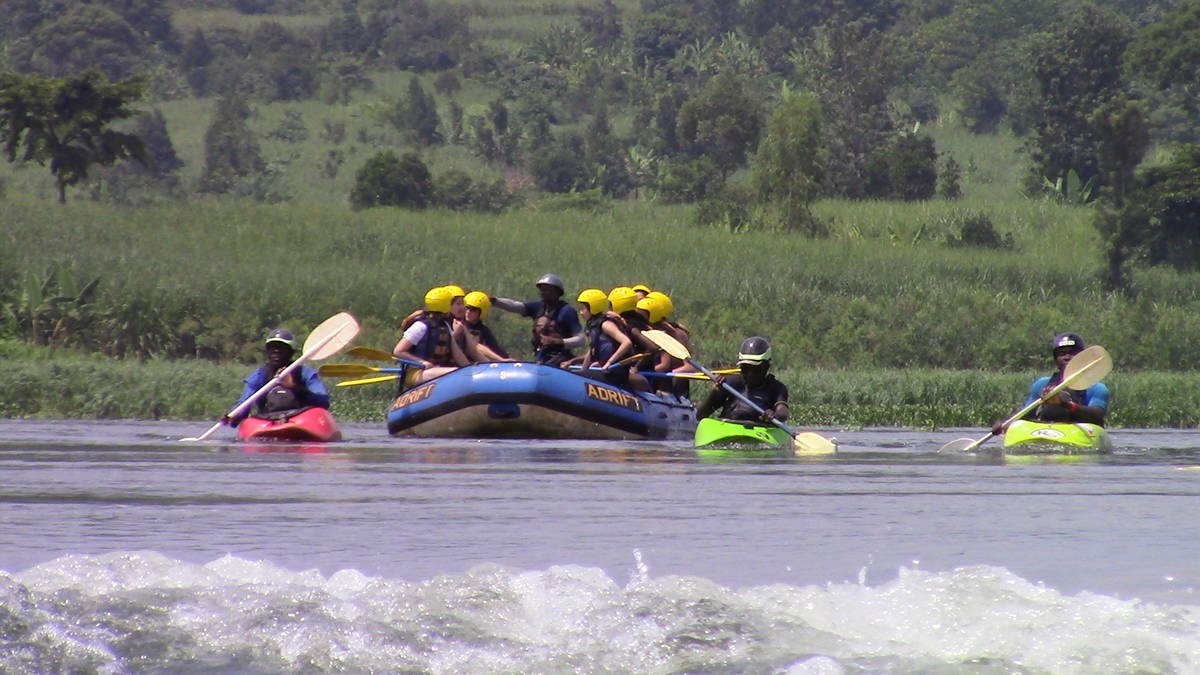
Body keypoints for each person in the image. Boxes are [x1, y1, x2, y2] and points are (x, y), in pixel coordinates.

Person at [992, 332, 1109, 434]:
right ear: (1056, 359)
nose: (1067, 357)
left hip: (1080, 428)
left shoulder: (1096, 388)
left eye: (1072, 353)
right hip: (1047, 428)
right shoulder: (1042, 384)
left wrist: (1067, 404)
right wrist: (1005, 421)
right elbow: (1027, 411)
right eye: (1062, 353)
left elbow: (1097, 415)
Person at [223, 328, 331, 426]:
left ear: (291, 352)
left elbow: (323, 402)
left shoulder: (306, 373)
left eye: (281, 347)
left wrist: (294, 387)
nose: (276, 351)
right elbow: (244, 404)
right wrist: (233, 415)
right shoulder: (259, 376)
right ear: (267, 351)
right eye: (272, 347)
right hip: (267, 420)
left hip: (301, 419)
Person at [492, 273, 584, 366]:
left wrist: (559, 342)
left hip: (562, 358)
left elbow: (580, 339)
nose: (543, 292)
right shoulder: (538, 307)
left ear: (557, 292)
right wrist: (495, 301)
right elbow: (516, 306)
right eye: (542, 289)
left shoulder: (567, 311)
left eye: (547, 289)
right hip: (541, 357)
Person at [696, 336, 789, 423]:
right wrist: (715, 393)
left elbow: (782, 412)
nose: (750, 374)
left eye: (756, 369)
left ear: (766, 367)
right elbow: (700, 415)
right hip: (727, 427)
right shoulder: (731, 383)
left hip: (760, 430)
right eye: (745, 368)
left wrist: (775, 415)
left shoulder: (776, 388)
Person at [393, 286, 469, 383]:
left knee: (460, 371)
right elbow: (398, 351)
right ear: (445, 305)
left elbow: (458, 355)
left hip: (434, 371)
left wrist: (470, 369)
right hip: (415, 373)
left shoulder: (444, 325)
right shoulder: (420, 326)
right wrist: (422, 362)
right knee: (455, 372)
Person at [573, 288, 636, 384]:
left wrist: (609, 363)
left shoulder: (605, 324)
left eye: (583, 308)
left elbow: (626, 342)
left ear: (592, 308)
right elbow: (591, 351)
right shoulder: (594, 325)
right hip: (606, 368)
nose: (581, 312)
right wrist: (583, 370)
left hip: (616, 371)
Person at [460, 290, 510, 362]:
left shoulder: (483, 330)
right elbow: (475, 345)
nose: (468, 312)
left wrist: (507, 360)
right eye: (467, 308)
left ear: (481, 312)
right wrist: (501, 360)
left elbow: (495, 348)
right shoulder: (458, 325)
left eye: (473, 310)